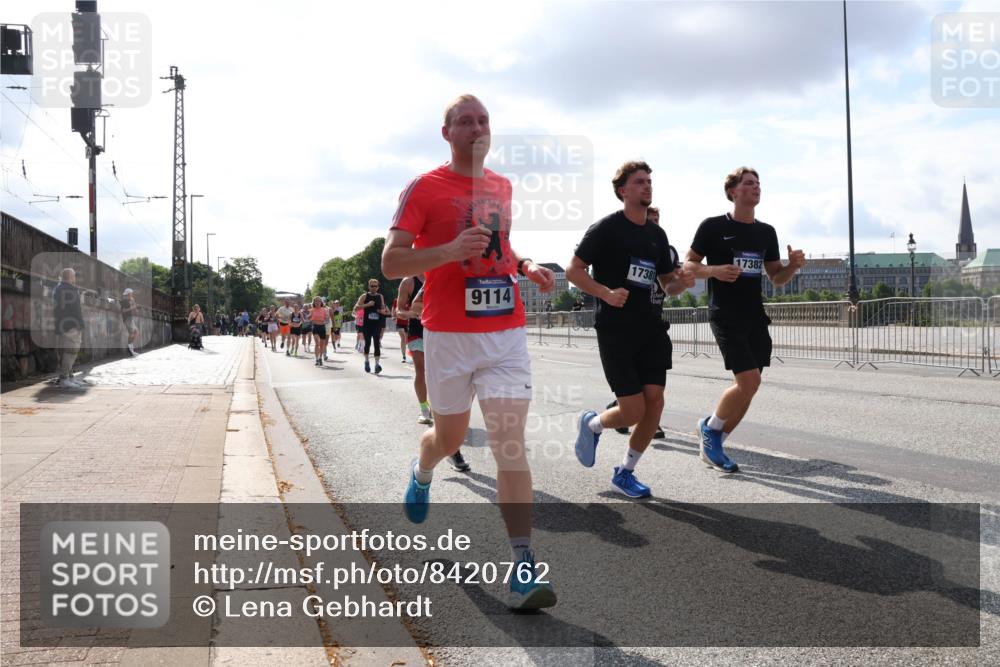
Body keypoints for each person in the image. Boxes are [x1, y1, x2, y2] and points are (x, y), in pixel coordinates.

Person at [382, 93, 557, 610]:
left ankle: (523, 566)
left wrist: (525, 267)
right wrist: (448, 252)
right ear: (447, 133)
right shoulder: (424, 187)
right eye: (465, 120)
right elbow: (393, 261)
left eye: (483, 119)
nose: (476, 127)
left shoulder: (502, 185)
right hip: (448, 335)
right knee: (450, 434)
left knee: (509, 443)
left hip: (504, 331)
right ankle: (424, 466)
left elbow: (502, 247)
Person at [566, 161, 694, 498]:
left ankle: (625, 472)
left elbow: (667, 284)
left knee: (655, 404)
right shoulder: (606, 228)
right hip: (616, 328)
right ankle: (593, 424)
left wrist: (682, 282)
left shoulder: (657, 235)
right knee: (633, 410)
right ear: (623, 190)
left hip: (651, 327)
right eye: (640, 182)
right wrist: (605, 293)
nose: (647, 187)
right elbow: (574, 271)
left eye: (650, 181)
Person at [683, 166, 806, 472]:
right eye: (749, 183)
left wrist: (793, 266)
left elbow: (776, 278)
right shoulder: (712, 227)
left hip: (755, 315)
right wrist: (715, 271)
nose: (756, 188)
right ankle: (711, 431)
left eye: (758, 184)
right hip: (725, 314)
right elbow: (687, 266)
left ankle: (713, 436)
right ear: (733, 192)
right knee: (747, 380)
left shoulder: (766, 232)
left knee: (751, 386)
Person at [605, 206, 672, 439]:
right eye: (650, 220)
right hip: (626, 324)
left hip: (654, 322)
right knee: (635, 390)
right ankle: (620, 411)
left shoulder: (665, 249)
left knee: (653, 390)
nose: (654, 224)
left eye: (657, 220)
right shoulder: (625, 242)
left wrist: (683, 279)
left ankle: (649, 420)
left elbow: (673, 282)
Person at [400, 283, 471, 471]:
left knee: (467, 391)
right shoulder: (413, 280)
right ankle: (427, 411)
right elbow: (407, 308)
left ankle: (448, 434)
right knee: (424, 372)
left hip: (470, 338)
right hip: (425, 332)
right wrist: (432, 310)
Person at [52, 268, 84, 389]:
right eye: (74, 276)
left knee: (68, 351)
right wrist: (80, 324)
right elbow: (75, 309)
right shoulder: (68, 289)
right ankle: (65, 378)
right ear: (70, 277)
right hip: (71, 325)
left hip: (64, 325)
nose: (75, 279)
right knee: (70, 351)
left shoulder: (59, 288)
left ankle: (69, 377)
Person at [354, 279, 387, 373]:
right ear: (368, 286)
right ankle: (367, 361)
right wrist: (367, 304)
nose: (374, 288)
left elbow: (383, 309)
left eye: (375, 286)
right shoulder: (364, 296)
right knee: (367, 343)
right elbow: (356, 308)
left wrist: (382, 311)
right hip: (367, 324)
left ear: (378, 287)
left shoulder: (380, 296)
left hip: (377, 323)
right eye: (372, 286)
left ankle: (377, 364)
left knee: (377, 343)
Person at [309, 296, 330, 366]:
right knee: (317, 343)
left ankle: (320, 358)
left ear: (321, 302)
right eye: (316, 301)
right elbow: (309, 317)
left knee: (322, 345)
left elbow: (327, 318)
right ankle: (316, 359)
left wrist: (326, 319)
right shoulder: (312, 310)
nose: (317, 302)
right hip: (315, 327)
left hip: (322, 327)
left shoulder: (324, 310)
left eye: (319, 301)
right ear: (314, 302)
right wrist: (308, 317)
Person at [120, 288, 139, 356]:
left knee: (136, 332)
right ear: (128, 294)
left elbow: (134, 306)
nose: (132, 295)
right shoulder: (124, 301)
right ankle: (130, 349)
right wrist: (132, 308)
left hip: (130, 318)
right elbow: (123, 311)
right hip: (127, 318)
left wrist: (134, 306)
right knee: (131, 333)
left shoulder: (130, 299)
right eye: (131, 293)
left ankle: (131, 348)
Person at [391, 295, 408, 363]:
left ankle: (407, 351)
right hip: (399, 322)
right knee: (403, 337)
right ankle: (404, 356)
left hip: (408, 323)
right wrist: (393, 316)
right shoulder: (396, 300)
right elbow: (393, 309)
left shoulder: (410, 300)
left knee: (407, 340)